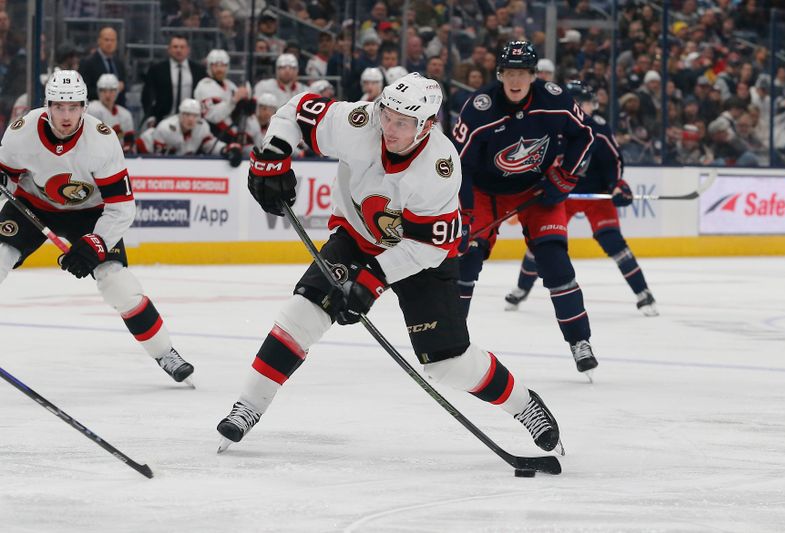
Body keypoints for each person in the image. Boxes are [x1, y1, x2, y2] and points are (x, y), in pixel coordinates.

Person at [215, 73, 562, 455]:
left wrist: (371, 281)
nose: (390, 128)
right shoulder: (361, 123)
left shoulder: (440, 166)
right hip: (357, 238)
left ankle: (526, 405)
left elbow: (425, 248)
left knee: (448, 364)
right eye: (388, 115)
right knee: (302, 313)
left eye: (403, 122)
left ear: (426, 126)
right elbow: (295, 110)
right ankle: (248, 406)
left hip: (422, 258)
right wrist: (274, 155)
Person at [0, 70, 194, 384]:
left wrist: (98, 241)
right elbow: (6, 179)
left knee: (115, 282)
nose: (66, 116)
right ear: (47, 105)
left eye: (73, 107)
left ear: (85, 106)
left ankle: (165, 353)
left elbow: (122, 206)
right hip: (32, 204)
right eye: (59, 107)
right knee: (0, 253)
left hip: (89, 213)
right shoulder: (21, 133)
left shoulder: (102, 141)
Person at [451, 41, 598, 378]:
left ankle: (580, 342)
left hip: (536, 188)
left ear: (534, 75)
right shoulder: (480, 108)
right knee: (467, 260)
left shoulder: (555, 99)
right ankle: (450, 341)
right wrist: (465, 215)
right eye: (509, 73)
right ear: (500, 74)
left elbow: (585, 135)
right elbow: (460, 167)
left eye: (522, 73)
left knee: (555, 263)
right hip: (484, 192)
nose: (515, 81)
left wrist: (565, 176)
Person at [505, 81, 658, 317]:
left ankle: (643, 292)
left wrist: (617, 184)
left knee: (613, 241)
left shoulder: (598, 128)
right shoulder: (550, 124)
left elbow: (612, 161)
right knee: (542, 242)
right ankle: (521, 289)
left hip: (594, 194)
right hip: (560, 194)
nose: (592, 107)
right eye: (587, 102)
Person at [138, 98, 241, 166]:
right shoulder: (165, 128)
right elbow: (157, 161)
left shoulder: (202, 126)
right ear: (180, 115)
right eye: (187, 114)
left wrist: (227, 149)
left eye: (195, 115)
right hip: (144, 150)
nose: (191, 119)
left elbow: (210, 145)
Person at [141, 34, 206, 125]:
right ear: (169, 49)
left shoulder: (199, 70)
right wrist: (150, 117)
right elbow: (147, 96)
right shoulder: (156, 70)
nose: (178, 50)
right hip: (163, 119)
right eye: (175, 47)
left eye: (182, 47)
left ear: (188, 50)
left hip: (191, 120)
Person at [194, 49, 251, 143]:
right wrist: (234, 100)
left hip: (231, 138)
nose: (220, 69)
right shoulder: (204, 85)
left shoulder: (230, 85)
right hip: (212, 137)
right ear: (209, 66)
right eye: (216, 65)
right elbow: (213, 117)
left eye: (223, 65)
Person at [86, 73, 136, 154]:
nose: (107, 95)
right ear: (98, 91)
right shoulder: (92, 110)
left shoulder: (125, 114)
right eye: (104, 91)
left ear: (117, 91)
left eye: (111, 91)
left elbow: (129, 142)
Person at [79, 27, 126, 105]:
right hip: (94, 109)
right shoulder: (88, 62)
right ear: (99, 41)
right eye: (106, 40)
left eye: (112, 40)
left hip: (116, 110)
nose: (109, 43)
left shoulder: (119, 63)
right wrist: (105, 92)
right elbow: (83, 90)